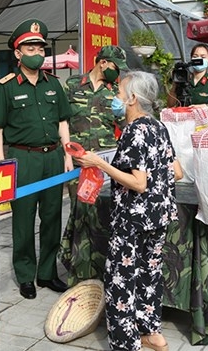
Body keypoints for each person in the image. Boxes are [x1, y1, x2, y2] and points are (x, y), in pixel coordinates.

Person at [74, 70, 181, 351]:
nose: (115, 98)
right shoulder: (158, 126)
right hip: (158, 216)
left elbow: (139, 182)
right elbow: (177, 171)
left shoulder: (135, 130)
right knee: (149, 274)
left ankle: (126, 343)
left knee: (121, 278)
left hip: (133, 218)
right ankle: (152, 333)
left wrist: (101, 164)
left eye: (119, 93)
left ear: (133, 98)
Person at [0, 18, 73, 299]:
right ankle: (26, 275)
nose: (37, 52)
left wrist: (68, 153)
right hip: (23, 159)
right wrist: (2, 164)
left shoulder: (54, 84)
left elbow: (62, 121)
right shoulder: (6, 86)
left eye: (40, 47)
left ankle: (47, 273)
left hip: (53, 158)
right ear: (18, 53)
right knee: (23, 219)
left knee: (52, 218)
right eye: (30, 47)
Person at [59, 45, 128, 286]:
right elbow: (62, 121)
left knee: (102, 217)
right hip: (78, 165)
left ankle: (102, 272)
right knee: (79, 216)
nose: (117, 73)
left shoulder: (116, 93)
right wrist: (67, 155)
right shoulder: (73, 85)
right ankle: (79, 273)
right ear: (103, 63)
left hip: (105, 167)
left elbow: (126, 123)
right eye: (116, 67)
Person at [167, 43, 208, 122]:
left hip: (201, 129)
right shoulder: (182, 79)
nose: (199, 59)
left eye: (203, 57)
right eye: (195, 56)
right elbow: (170, 105)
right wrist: (175, 85)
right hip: (181, 127)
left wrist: (205, 107)